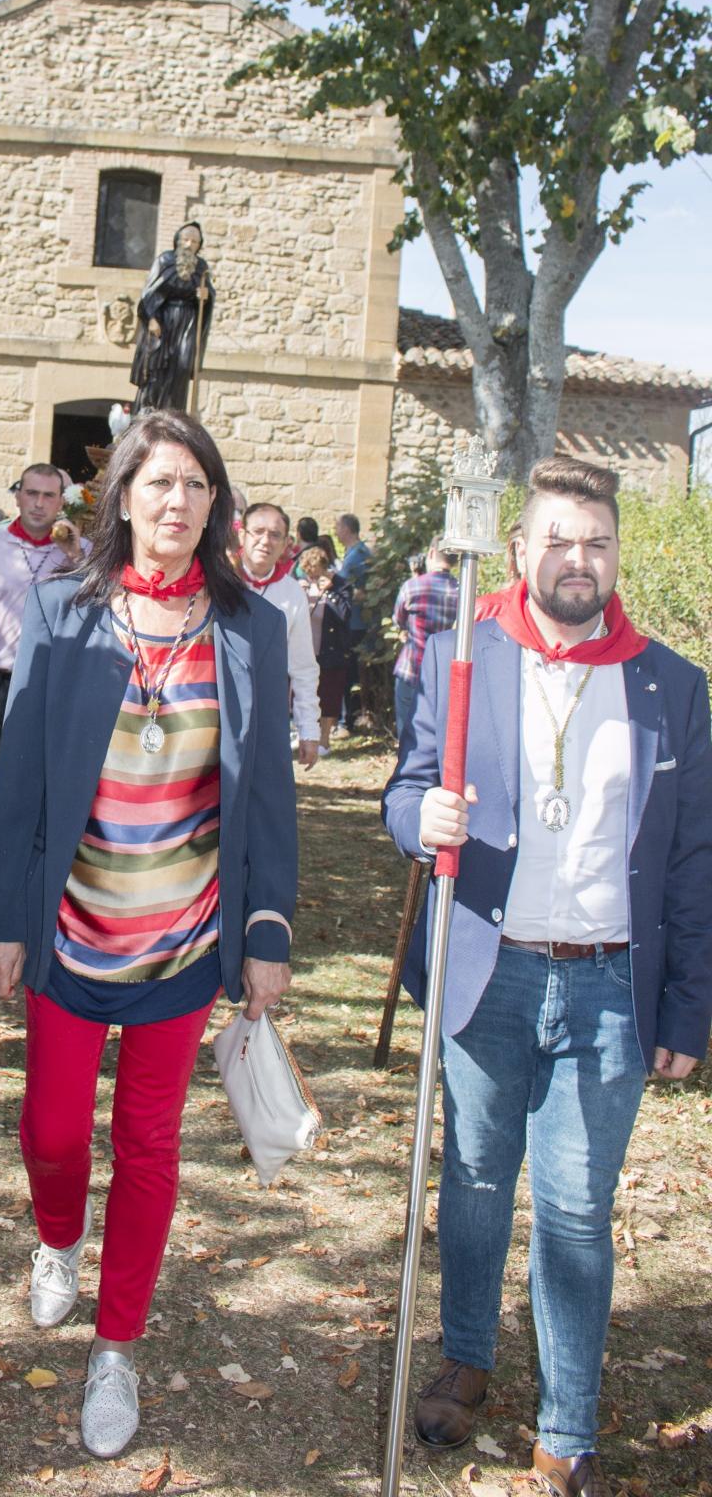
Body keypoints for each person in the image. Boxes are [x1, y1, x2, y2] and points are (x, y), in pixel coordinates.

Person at [0, 410, 299, 1462]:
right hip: (71, 933)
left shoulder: (248, 624)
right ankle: (58, 1239)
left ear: (217, 506)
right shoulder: (65, 608)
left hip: (184, 940)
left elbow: (273, 800)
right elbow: (18, 776)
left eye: (197, 486)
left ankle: (118, 1347)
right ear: (120, 496)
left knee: (149, 1144)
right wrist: (2, 922)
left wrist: (265, 930)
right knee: (56, 1133)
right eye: (159, 483)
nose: (177, 503)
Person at [382, 456, 712, 1497]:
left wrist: (690, 1003)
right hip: (491, 971)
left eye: (599, 541)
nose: (581, 558)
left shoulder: (672, 685)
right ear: (520, 551)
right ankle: (468, 1353)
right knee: (476, 1179)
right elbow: (406, 787)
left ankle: (568, 1424)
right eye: (560, 539)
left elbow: (697, 858)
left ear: (618, 555)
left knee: (574, 1204)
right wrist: (416, 818)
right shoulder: (462, 657)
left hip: (611, 989)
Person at [0, 464, 84, 822]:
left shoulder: (80, 551)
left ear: (61, 503)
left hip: (58, 684)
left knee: (49, 786)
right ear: (18, 495)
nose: (39, 503)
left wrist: (74, 555)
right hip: (1, 684)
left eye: (48, 495)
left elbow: (105, 607)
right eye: (32, 493)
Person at [237, 502, 320, 768]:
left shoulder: (292, 593)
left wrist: (309, 730)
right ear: (242, 535)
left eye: (275, 535)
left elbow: (303, 666)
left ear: (286, 544)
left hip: (268, 710)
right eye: (258, 531)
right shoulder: (219, 582)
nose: (265, 541)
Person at [129, 222, 215, 413]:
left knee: (182, 366)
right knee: (158, 368)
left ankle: (173, 411)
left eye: (194, 241)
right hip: (164, 319)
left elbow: (207, 297)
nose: (189, 244)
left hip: (187, 321)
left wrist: (204, 297)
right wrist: (150, 318)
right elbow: (149, 293)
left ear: (199, 245)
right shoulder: (165, 260)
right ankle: (149, 410)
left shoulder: (201, 267)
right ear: (178, 240)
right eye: (185, 239)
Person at [391, 539, 459, 740]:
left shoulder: (412, 586)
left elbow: (398, 620)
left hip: (412, 667)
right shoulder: (464, 590)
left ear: (431, 554)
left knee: (406, 733)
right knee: (439, 736)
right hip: (446, 671)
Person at [300, 542, 355, 755]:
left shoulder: (340, 585)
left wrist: (330, 592)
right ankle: (308, 735)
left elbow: (345, 614)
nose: (313, 577)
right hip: (307, 650)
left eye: (316, 573)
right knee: (309, 693)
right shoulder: (303, 584)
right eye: (309, 574)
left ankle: (324, 739)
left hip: (331, 651)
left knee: (329, 694)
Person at [333, 511, 371, 733]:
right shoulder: (354, 552)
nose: (336, 532)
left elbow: (346, 588)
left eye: (337, 527)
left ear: (346, 529)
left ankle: (348, 719)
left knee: (349, 672)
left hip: (354, 623)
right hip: (355, 621)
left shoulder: (358, 555)